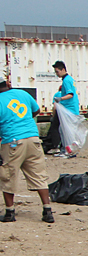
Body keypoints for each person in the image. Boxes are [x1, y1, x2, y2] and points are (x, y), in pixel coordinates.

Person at [0, 80, 54, 223]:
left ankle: (10, 212)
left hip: (13, 142)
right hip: (33, 139)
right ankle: (47, 210)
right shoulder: (22, 94)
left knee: (8, 175)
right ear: (7, 84)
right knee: (39, 175)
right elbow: (36, 110)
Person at [44, 61, 79, 155]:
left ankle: (56, 147)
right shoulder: (69, 79)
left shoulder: (66, 80)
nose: (57, 74)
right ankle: (68, 149)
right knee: (66, 130)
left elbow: (70, 94)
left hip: (67, 108)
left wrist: (60, 99)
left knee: (55, 126)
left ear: (63, 69)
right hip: (71, 108)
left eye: (57, 71)